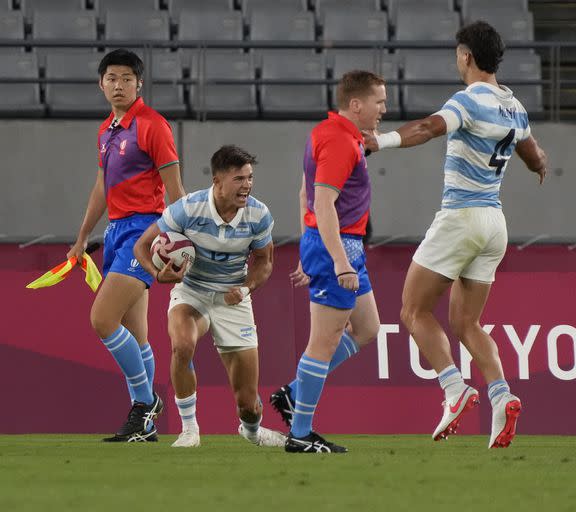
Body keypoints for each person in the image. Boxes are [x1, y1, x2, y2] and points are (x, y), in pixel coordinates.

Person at [365, 21, 548, 449]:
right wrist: (539, 165)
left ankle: (454, 388)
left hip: (461, 217)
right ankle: (502, 396)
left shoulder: (469, 101)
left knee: (412, 310)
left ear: (466, 56)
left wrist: (381, 141)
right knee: (468, 322)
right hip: (494, 226)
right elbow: (532, 151)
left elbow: (429, 128)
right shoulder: (514, 106)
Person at [133, 145, 286, 448]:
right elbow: (142, 245)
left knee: (248, 403)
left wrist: (245, 288)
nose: (247, 185)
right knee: (182, 346)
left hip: (233, 298)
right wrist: (156, 272)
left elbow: (264, 262)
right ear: (217, 181)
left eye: (250, 178)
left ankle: (252, 430)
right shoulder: (188, 208)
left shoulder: (258, 214)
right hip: (192, 291)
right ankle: (190, 429)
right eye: (239, 179)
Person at [67, 49, 185, 442]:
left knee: (102, 319)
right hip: (117, 232)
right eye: (111, 78)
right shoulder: (106, 130)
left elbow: (176, 192)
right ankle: (145, 427)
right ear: (101, 84)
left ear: (139, 84)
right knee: (137, 337)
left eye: (126, 78)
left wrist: (179, 245)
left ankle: (145, 403)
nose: (119, 85)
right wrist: (83, 236)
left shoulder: (153, 126)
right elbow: (102, 187)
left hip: (146, 234)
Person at [270, 71, 386, 454]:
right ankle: (300, 434)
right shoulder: (339, 141)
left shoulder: (333, 133)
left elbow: (305, 191)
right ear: (356, 105)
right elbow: (321, 202)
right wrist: (337, 261)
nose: (384, 109)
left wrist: (312, 249)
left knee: (367, 328)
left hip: (334, 244)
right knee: (322, 343)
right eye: (379, 102)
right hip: (339, 248)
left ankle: (293, 395)